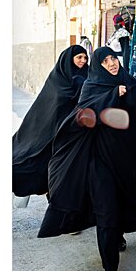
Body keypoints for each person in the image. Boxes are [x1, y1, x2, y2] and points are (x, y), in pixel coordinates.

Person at [38, 47, 136, 271]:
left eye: (114, 58)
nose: (112, 63)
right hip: (100, 163)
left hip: (130, 162)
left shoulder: (133, 86)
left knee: (122, 206)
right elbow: (83, 118)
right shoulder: (91, 88)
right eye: (105, 61)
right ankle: (109, 269)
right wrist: (113, 95)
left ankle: (119, 235)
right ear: (97, 66)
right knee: (105, 212)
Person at [12, 45, 89, 199]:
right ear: (69, 59)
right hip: (50, 134)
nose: (83, 61)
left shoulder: (88, 77)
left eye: (85, 57)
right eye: (79, 57)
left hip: (73, 134)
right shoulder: (57, 79)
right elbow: (47, 107)